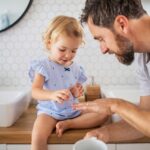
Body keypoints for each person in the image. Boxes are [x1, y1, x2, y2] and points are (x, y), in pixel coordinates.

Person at [73, 0, 150, 142]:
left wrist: (116, 105)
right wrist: (104, 134)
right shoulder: (142, 58)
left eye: (101, 38)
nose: (103, 49)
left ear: (122, 24)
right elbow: (144, 119)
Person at [29, 15, 109, 150]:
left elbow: (73, 91)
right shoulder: (43, 66)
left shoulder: (75, 68)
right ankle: (66, 123)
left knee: (103, 114)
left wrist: (75, 91)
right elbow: (35, 91)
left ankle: (69, 124)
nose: (68, 55)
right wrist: (52, 95)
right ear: (49, 43)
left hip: (72, 110)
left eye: (74, 50)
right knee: (37, 136)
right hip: (49, 112)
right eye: (62, 49)